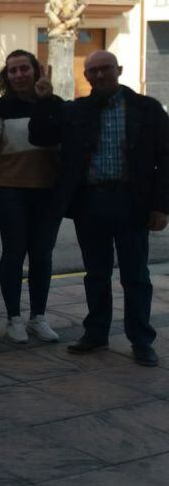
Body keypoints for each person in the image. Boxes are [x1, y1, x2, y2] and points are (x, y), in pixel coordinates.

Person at [30, 51, 169, 367]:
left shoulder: (146, 109)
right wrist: (45, 98)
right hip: (90, 203)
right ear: (87, 76)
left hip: (132, 203)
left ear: (119, 70)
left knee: (136, 275)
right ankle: (96, 334)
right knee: (96, 274)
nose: (100, 75)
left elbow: (165, 158)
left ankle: (142, 340)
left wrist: (162, 206)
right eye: (93, 71)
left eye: (106, 69)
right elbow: (41, 136)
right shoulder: (77, 110)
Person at [0, 50, 61, 345]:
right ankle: (14, 318)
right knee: (14, 253)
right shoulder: (1, 107)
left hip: (46, 192)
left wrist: (48, 103)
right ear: (6, 76)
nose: (19, 74)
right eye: (13, 70)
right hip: (9, 189)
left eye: (25, 68)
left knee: (42, 255)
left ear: (36, 71)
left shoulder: (51, 104)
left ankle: (38, 317)